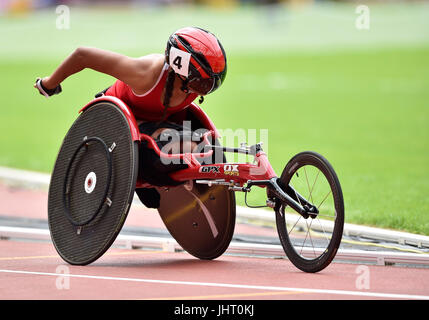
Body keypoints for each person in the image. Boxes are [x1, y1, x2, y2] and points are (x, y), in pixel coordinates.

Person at [34, 26, 228, 208]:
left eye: (210, 85)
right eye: (203, 84)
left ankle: (152, 169)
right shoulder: (146, 72)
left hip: (151, 126)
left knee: (207, 151)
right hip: (110, 125)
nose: (205, 90)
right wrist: (49, 84)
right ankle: (144, 172)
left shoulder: (190, 84)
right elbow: (82, 55)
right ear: (181, 68)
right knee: (179, 146)